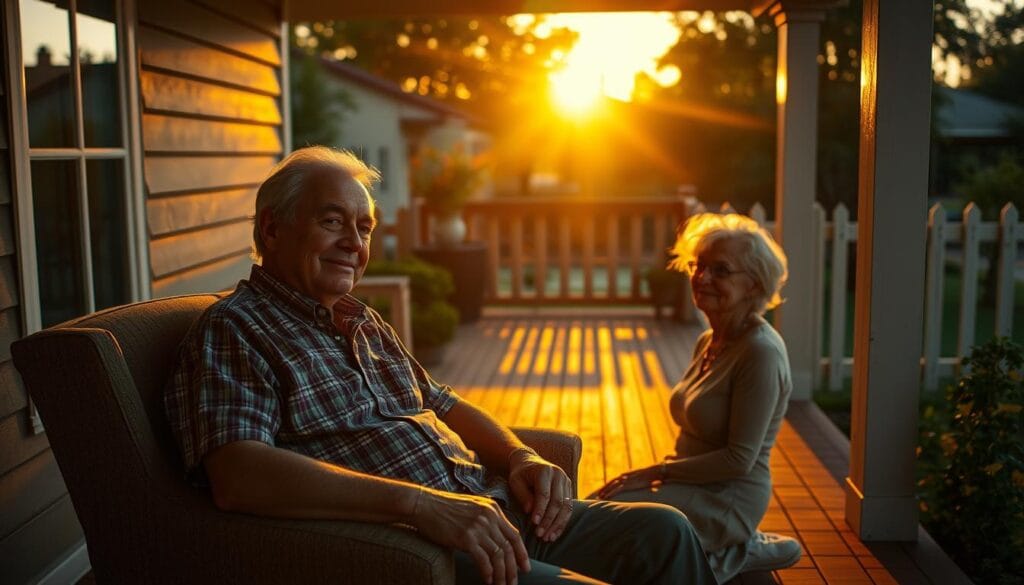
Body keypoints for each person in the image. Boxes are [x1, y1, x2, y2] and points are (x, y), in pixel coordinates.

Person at [164, 146, 717, 585]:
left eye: (363, 228)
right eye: (333, 221)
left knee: (665, 530)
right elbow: (238, 474)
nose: (353, 243)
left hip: (493, 513)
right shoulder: (236, 329)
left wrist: (520, 457)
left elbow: (442, 403)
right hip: (420, 551)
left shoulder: (361, 321)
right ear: (271, 230)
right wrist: (422, 507)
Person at [590, 213, 800, 582]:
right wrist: (663, 479)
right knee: (592, 511)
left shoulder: (761, 352)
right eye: (699, 266)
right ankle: (726, 551)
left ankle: (735, 546)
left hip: (727, 496)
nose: (702, 278)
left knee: (613, 530)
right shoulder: (709, 340)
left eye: (720, 270)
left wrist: (656, 473)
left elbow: (739, 460)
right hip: (685, 482)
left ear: (753, 284)